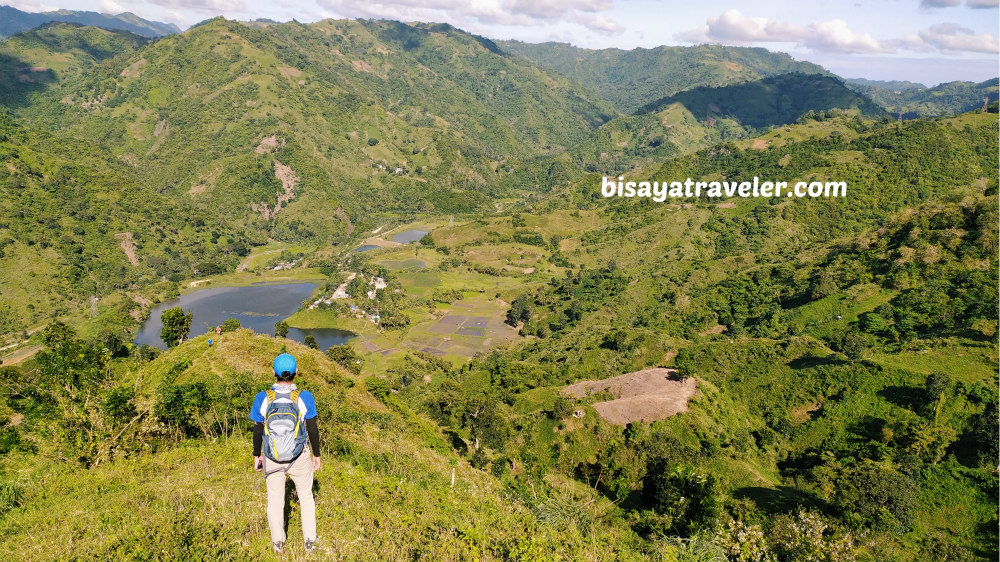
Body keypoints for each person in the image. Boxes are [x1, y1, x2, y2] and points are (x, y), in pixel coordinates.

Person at [250, 353, 321, 554]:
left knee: (275, 501)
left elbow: (257, 429)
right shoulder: (304, 397)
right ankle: (310, 542)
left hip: (272, 456)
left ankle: (278, 543)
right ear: (296, 372)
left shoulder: (262, 397)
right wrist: (316, 455)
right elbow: (312, 429)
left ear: (274, 372)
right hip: (299, 455)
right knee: (306, 496)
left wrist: (258, 455)